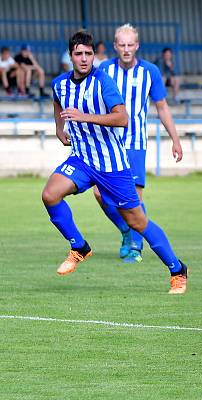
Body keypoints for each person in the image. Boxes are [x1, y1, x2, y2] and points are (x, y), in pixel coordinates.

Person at [43, 30, 188, 294]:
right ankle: (79, 247)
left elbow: (123, 118)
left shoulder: (103, 82)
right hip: (82, 159)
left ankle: (177, 270)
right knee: (50, 195)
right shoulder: (60, 84)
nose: (84, 59)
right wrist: (58, 127)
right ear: (71, 56)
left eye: (89, 54)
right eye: (79, 54)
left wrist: (85, 117)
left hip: (112, 164)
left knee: (137, 221)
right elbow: (57, 101)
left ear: (94, 56)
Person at [97, 23, 184, 264]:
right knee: (98, 193)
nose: (126, 49)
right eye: (121, 45)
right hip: (108, 143)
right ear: (115, 46)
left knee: (134, 198)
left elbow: (162, 107)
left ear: (137, 46)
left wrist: (175, 139)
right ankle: (127, 231)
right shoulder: (104, 70)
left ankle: (136, 246)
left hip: (135, 143)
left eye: (130, 45)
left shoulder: (150, 72)